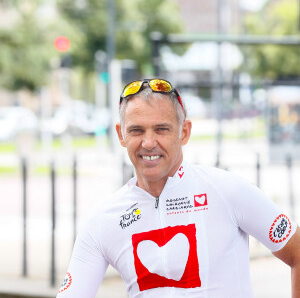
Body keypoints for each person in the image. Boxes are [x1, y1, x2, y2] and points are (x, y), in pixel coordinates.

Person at [56, 78, 300, 298]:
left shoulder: (229, 191)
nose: (149, 142)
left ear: (184, 132)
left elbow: (297, 253)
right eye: (136, 130)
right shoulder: (102, 221)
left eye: (162, 129)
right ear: (121, 135)